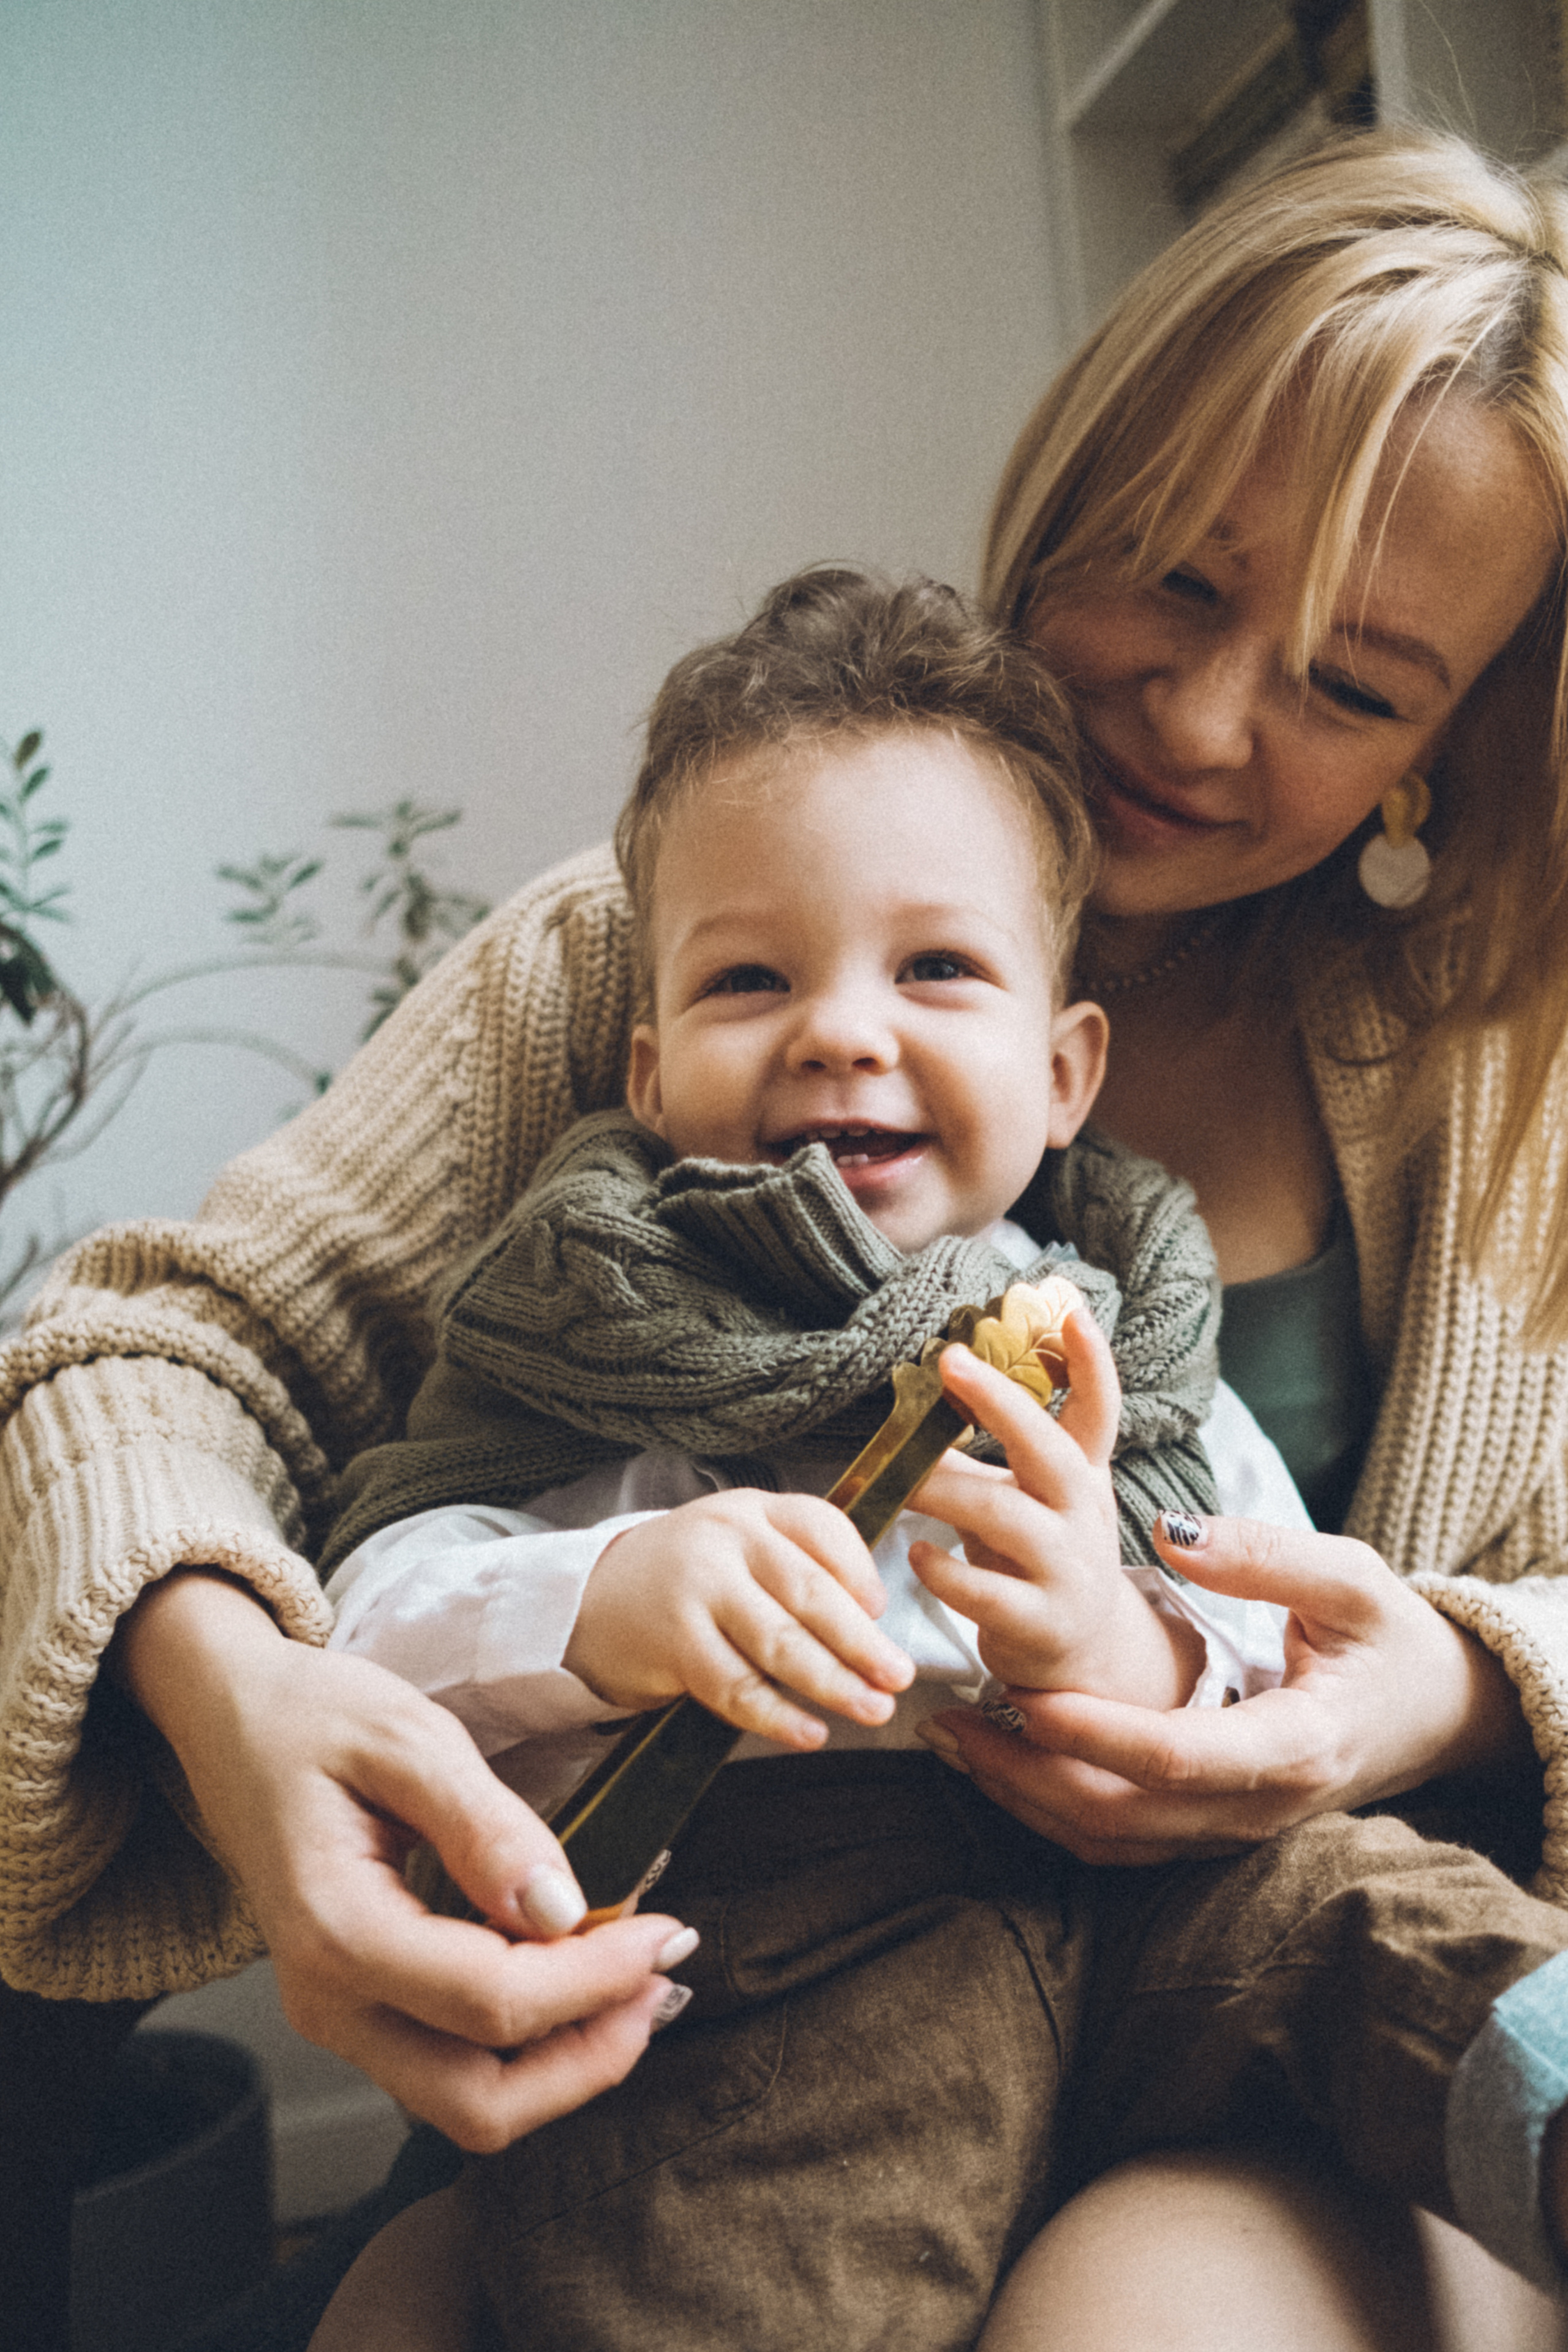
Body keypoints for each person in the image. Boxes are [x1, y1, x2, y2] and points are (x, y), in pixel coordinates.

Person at [2, 123, 1568, 2351]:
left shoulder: (1504, 1088)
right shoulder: (632, 968)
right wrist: (245, 1699)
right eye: (1181, 582)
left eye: (1353, 685)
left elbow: (1258, 1591)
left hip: (1270, 2027)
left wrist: (1439, 1677)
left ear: (1449, 738)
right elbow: (151, 1355)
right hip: (781, 2001)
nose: (1211, 723)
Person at [306, 567, 1568, 2352]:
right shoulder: (590, 1313)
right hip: (808, 1949)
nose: (840, 1027)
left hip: (1163, 1913)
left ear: (1065, 1073)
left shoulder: (1132, 1331)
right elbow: (370, 1624)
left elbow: (1285, 1657)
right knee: (736, 2250)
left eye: (936, 969)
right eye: (754, 977)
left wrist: (1118, 1646)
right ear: (652, 1074)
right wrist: (603, 1600)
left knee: (1386, 1930)